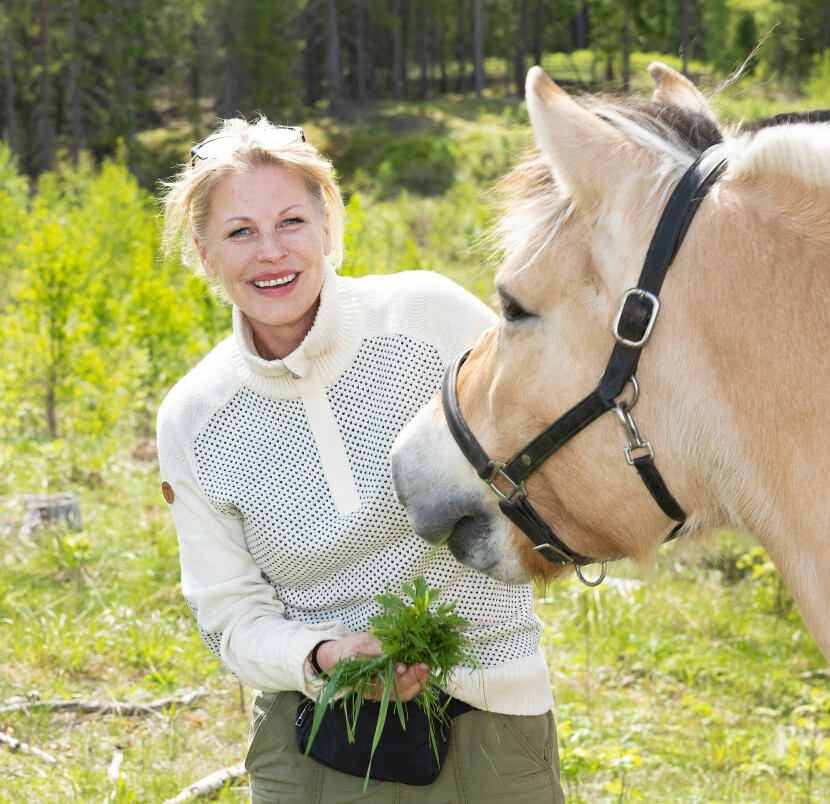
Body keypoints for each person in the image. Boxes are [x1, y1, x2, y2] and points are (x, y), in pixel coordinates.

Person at [156, 117, 564, 803]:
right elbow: (229, 616)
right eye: (239, 232)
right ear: (204, 254)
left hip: (491, 707)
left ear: (326, 227)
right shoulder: (195, 417)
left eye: (290, 221)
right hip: (312, 727)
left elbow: (549, 436)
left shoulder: (428, 319)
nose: (270, 252)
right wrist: (319, 657)